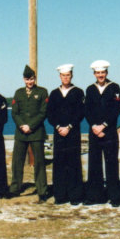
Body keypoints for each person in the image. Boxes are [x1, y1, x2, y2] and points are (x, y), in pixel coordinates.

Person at [84, 60, 120, 206]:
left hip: (109, 133)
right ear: (94, 74)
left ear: (106, 73)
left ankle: (114, 197)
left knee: (111, 164)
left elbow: (116, 110)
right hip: (94, 132)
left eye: (103, 72)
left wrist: (103, 126)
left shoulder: (114, 87)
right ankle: (95, 196)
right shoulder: (90, 89)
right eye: (98, 73)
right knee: (94, 165)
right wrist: (94, 126)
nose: (100, 75)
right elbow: (87, 110)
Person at [47, 64, 85, 205]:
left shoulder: (78, 92)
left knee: (74, 163)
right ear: (60, 77)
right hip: (59, 134)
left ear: (72, 76)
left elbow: (80, 112)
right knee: (60, 163)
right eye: (63, 75)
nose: (66, 78)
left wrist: (69, 127)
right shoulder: (54, 93)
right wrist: (58, 127)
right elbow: (50, 113)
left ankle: (75, 196)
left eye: (68, 75)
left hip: (73, 133)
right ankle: (60, 195)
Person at [10, 65, 49, 202]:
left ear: (35, 79)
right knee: (17, 162)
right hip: (21, 133)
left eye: (31, 79)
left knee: (39, 162)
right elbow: (14, 112)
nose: (29, 82)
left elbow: (43, 112)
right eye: (27, 79)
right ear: (23, 79)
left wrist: (30, 126)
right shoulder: (18, 93)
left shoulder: (43, 92)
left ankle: (42, 190)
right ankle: (15, 188)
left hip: (36, 132)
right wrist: (22, 125)